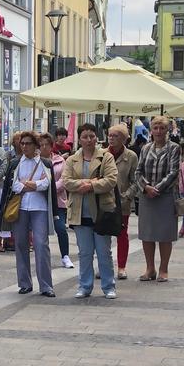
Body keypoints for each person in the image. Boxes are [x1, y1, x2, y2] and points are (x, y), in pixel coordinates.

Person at [62, 123, 119, 299]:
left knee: (104, 251)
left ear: (97, 137)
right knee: (84, 252)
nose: (89, 140)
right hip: (80, 213)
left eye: (92, 136)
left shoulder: (106, 157)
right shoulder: (72, 159)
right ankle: (84, 286)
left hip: (101, 212)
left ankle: (108, 286)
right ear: (79, 138)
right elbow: (66, 181)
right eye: (85, 136)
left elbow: (111, 180)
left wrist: (91, 186)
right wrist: (87, 183)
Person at [131, 116, 180, 282]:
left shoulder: (174, 148)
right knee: (147, 233)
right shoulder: (145, 148)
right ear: (151, 130)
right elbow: (137, 172)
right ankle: (150, 268)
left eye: (162, 128)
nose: (158, 131)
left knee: (165, 234)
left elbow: (173, 172)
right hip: (147, 196)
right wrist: (146, 187)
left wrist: (157, 188)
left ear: (167, 130)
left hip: (165, 196)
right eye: (156, 128)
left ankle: (163, 268)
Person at [9, 132, 57, 297]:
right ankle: (24, 283)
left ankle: (46, 285)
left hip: (40, 207)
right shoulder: (15, 163)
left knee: (41, 245)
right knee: (21, 244)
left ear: (36, 146)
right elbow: (13, 185)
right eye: (22, 143)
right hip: (21, 207)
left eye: (28, 143)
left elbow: (47, 183)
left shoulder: (45, 163)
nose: (24, 146)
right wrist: (34, 185)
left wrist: (30, 184)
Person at [39, 132, 74, 269]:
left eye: (46, 144)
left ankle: (65, 256)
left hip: (58, 200)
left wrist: (51, 189)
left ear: (51, 145)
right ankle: (43, 256)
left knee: (60, 228)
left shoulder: (60, 160)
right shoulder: (36, 161)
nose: (43, 147)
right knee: (41, 230)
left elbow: (64, 179)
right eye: (40, 145)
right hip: (41, 200)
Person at [108, 124, 138, 280]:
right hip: (104, 200)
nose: (111, 138)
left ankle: (121, 267)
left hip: (122, 202)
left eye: (115, 136)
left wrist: (127, 196)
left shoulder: (131, 156)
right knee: (103, 233)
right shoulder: (102, 154)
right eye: (110, 135)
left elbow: (136, 180)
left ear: (124, 139)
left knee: (121, 233)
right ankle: (104, 265)